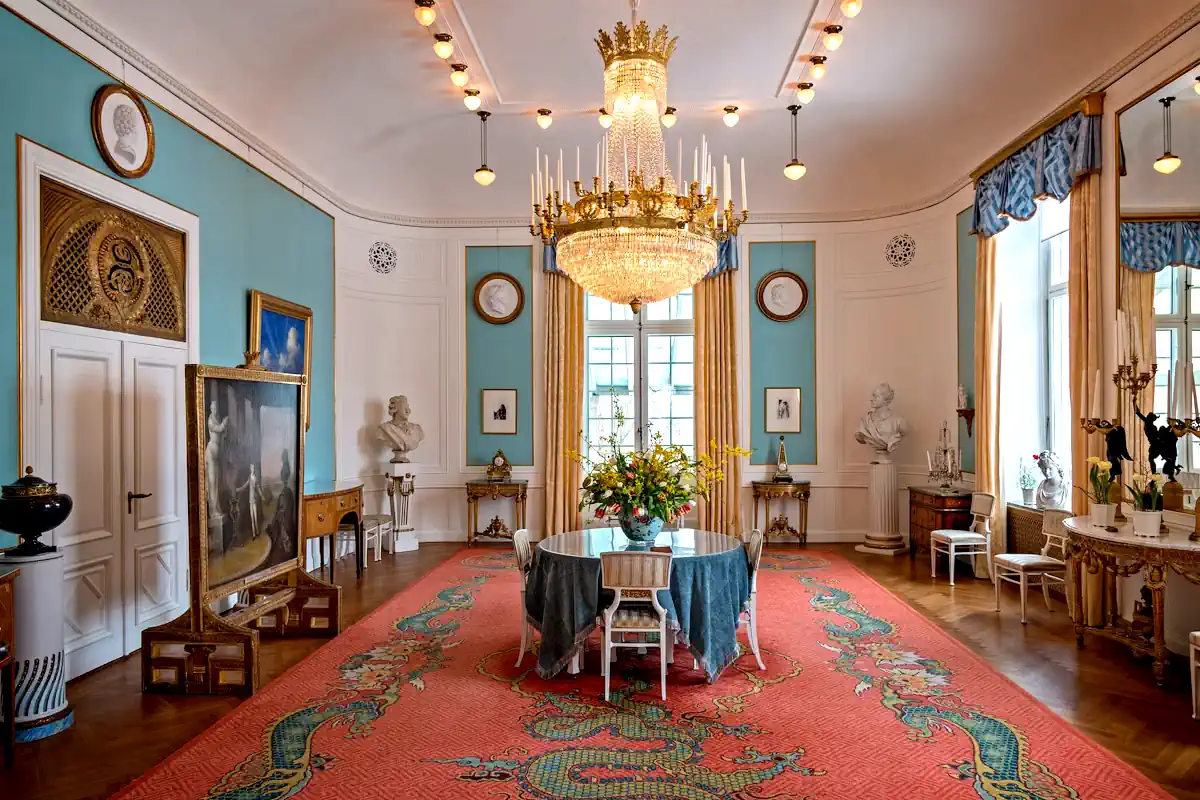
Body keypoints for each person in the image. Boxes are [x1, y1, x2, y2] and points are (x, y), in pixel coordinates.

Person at [854, 382, 906, 454]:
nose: (871, 399)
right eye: (872, 396)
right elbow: (859, 436)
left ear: (885, 399)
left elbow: (905, 432)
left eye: (875, 396)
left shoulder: (898, 421)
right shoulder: (866, 421)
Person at [377, 395, 425, 463]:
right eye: (405, 407)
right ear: (395, 409)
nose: (408, 410)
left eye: (408, 407)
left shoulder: (417, 429)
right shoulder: (384, 429)